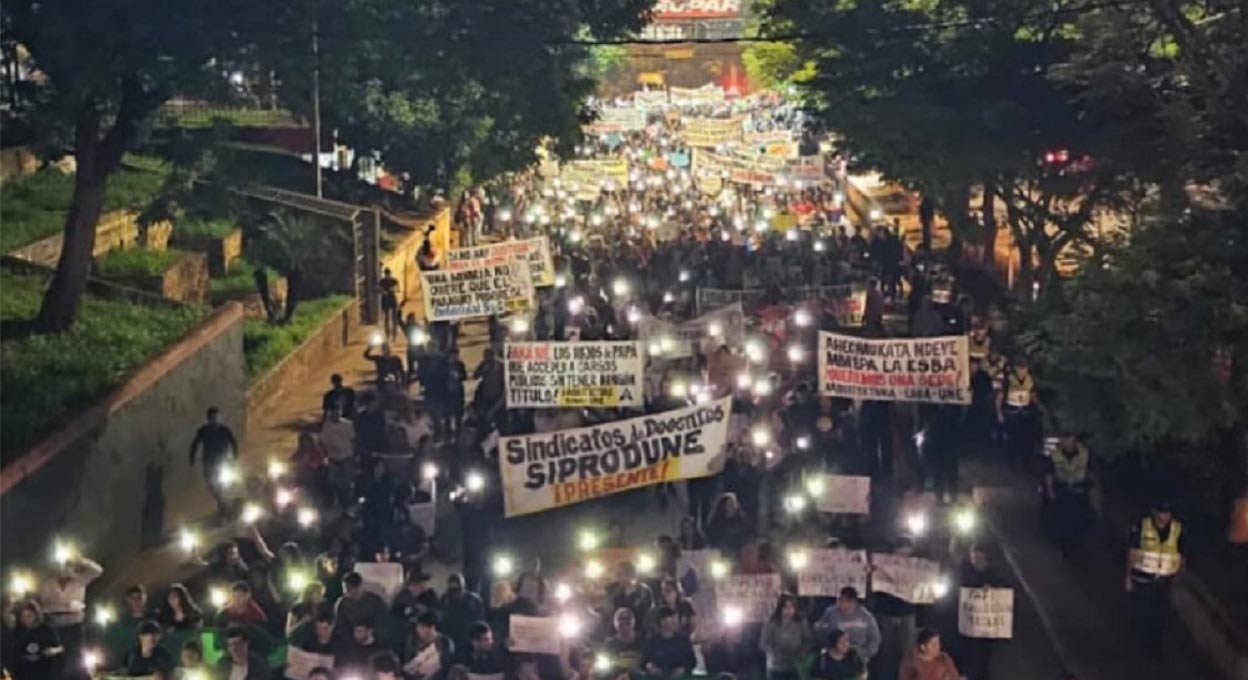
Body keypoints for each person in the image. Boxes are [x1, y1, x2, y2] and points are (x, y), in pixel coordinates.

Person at [1125, 500, 1187, 657]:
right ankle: (1137, 643)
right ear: (1154, 512)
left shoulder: (1177, 529)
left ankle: (1154, 646)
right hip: (1143, 577)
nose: (1164, 516)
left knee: (1160, 616)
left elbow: (1182, 556)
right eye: (1161, 512)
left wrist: (1178, 578)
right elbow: (1132, 552)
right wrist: (1128, 577)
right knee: (1142, 612)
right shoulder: (1143, 526)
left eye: (1167, 513)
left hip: (1164, 581)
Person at [37, 552, 102, 666]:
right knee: (56, 657)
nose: (64, 570)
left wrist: (80, 560)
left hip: (74, 624)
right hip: (54, 624)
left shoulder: (79, 579)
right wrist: (65, 606)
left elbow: (98, 571)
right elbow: (45, 603)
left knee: (74, 657)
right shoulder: (48, 582)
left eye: (67, 566)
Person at [957, 544, 1006, 680]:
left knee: (984, 654)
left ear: (985, 558)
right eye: (974, 557)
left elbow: (1002, 593)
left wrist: (993, 589)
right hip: (968, 621)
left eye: (979, 557)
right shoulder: (965, 571)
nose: (976, 560)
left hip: (985, 625)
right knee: (968, 650)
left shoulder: (993, 574)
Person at [1044, 430, 1091, 557]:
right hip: (1062, 490)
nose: (1066, 441)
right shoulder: (1055, 454)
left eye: (1069, 438)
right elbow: (1048, 474)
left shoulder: (1084, 453)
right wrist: (1050, 492)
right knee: (1063, 521)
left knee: (1078, 521)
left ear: (1074, 439)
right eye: (1064, 438)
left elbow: (1090, 473)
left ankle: (1077, 547)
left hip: (1079, 491)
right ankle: (1064, 547)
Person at [188, 406, 240, 519]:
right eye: (212, 417)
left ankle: (226, 506)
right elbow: (195, 444)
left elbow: (233, 441)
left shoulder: (224, 430)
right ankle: (223, 504)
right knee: (212, 486)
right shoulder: (203, 431)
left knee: (224, 485)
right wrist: (191, 457)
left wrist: (235, 455)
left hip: (223, 463)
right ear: (208, 419)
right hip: (209, 463)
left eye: (216, 417)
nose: (214, 420)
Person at [814, 588, 880, 664]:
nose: (838, 603)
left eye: (842, 600)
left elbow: (875, 639)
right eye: (838, 600)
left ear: (852, 602)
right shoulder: (830, 613)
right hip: (835, 656)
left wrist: (865, 653)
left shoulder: (866, 617)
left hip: (858, 657)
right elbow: (820, 629)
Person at [759, 593, 811, 680]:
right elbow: (763, 643)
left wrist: (803, 651)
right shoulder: (772, 621)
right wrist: (775, 651)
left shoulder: (801, 621)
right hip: (776, 666)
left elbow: (808, 639)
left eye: (791, 606)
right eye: (785, 607)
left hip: (796, 665)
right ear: (780, 608)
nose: (789, 610)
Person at [334, 573, 388, 645]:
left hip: (374, 643)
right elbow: (340, 627)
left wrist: (369, 634)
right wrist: (353, 636)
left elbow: (383, 624)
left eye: (350, 589)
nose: (349, 592)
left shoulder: (376, 602)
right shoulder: (342, 604)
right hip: (350, 644)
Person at [13, 601, 62, 680]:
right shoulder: (19, 630)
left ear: (36, 615)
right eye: (23, 616)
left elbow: (60, 648)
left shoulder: (46, 629)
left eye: (29, 616)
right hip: (26, 673)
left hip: (44, 672)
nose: (26, 619)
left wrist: (52, 651)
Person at [642, 607, 695, 680]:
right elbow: (644, 662)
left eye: (676, 619)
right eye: (672, 620)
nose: (676, 622)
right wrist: (649, 666)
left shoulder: (683, 639)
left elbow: (692, 661)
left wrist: (683, 669)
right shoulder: (652, 642)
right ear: (662, 622)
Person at [402, 610, 455, 680]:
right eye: (418, 626)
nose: (418, 630)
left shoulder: (445, 643)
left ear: (432, 627)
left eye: (421, 627)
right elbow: (408, 663)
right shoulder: (413, 641)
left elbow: (447, 666)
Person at [439, 574, 485, 651]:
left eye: (457, 590)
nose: (455, 594)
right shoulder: (445, 600)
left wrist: (478, 638)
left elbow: (480, 621)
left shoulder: (474, 600)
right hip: (450, 639)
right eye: (453, 591)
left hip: (468, 640)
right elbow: (441, 619)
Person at [602, 607, 645, 675]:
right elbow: (603, 671)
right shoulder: (609, 646)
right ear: (614, 622)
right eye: (620, 619)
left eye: (628, 618)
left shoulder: (644, 642)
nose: (624, 621)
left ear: (634, 621)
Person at [380, 267, 401, 340]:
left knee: (393, 317)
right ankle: (387, 333)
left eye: (388, 274)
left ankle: (394, 333)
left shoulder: (394, 280)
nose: (387, 276)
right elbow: (378, 289)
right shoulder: (382, 281)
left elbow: (398, 289)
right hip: (385, 300)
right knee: (386, 317)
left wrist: (393, 290)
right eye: (386, 274)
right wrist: (383, 291)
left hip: (392, 299)